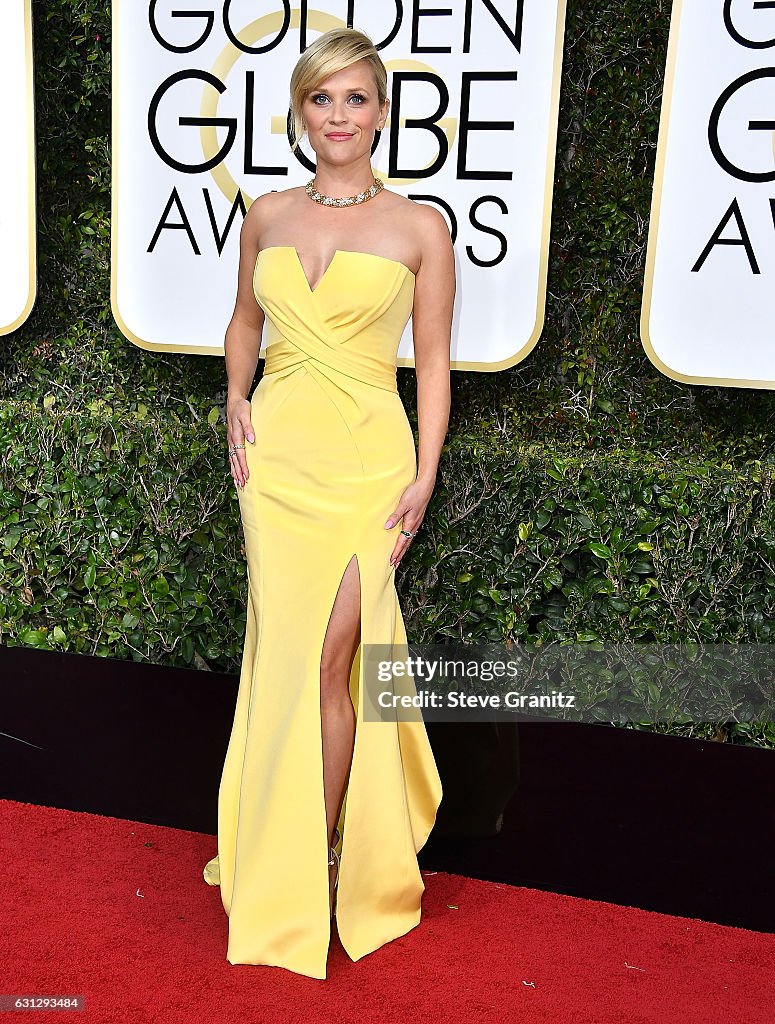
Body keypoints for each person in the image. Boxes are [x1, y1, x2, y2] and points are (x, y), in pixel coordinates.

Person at [203, 26, 455, 980]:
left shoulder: (418, 226)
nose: (339, 116)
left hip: (367, 465)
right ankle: (289, 845)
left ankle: (317, 852)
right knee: (287, 653)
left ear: (382, 112)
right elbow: (243, 322)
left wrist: (425, 472)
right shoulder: (265, 214)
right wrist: (234, 395)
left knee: (332, 654)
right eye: (322, 99)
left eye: (356, 99)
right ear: (300, 113)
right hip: (277, 462)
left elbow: (431, 364)